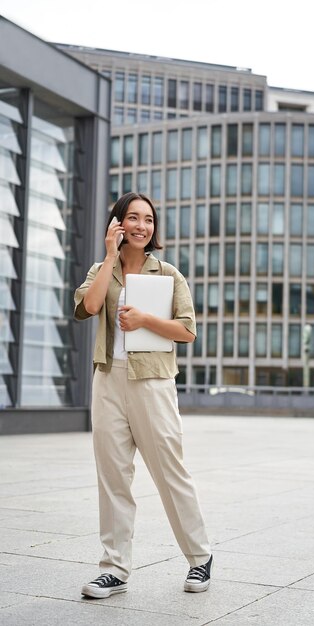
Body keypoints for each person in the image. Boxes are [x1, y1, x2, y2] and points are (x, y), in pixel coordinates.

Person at [74, 192, 212, 599]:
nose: (141, 226)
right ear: (117, 223)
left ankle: (200, 558)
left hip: (152, 382)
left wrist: (146, 319)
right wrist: (109, 256)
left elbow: (187, 330)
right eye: (131, 218)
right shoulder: (102, 269)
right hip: (108, 381)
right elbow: (88, 306)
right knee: (113, 475)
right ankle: (114, 568)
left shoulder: (168, 274)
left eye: (147, 220)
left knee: (170, 472)